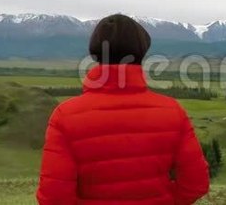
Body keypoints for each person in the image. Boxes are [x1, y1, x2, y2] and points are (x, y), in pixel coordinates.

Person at [36, 14, 209, 204]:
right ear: (142, 51)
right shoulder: (173, 111)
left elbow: (54, 197)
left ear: (95, 52)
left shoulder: (65, 115)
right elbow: (196, 184)